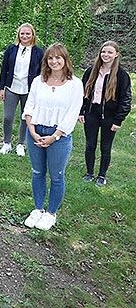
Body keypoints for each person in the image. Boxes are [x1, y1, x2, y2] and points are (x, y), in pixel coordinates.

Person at [22, 43, 83, 231]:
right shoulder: (38, 81)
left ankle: (51, 213)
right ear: (46, 60)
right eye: (50, 58)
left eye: (58, 57)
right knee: (37, 172)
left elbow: (72, 113)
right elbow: (29, 106)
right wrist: (32, 131)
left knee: (56, 176)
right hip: (36, 131)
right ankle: (38, 209)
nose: (54, 61)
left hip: (59, 135)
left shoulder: (75, 84)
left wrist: (54, 136)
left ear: (65, 60)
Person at [79, 41, 132, 187]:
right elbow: (83, 93)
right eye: (103, 52)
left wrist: (118, 120)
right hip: (91, 113)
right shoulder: (91, 71)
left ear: (116, 55)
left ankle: (102, 175)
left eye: (109, 52)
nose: (106, 55)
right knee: (90, 144)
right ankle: (90, 173)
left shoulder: (121, 75)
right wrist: (81, 111)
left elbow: (125, 99)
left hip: (110, 116)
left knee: (105, 147)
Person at [0, 23, 44, 157]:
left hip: (29, 89)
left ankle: (20, 144)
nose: (25, 36)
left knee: (25, 117)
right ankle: (7, 143)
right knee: (8, 117)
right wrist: (1, 88)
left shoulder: (38, 52)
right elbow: (4, 69)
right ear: (18, 34)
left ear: (33, 35)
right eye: (22, 33)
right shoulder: (11, 49)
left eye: (28, 33)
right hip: (12, 87)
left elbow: (41, 73)